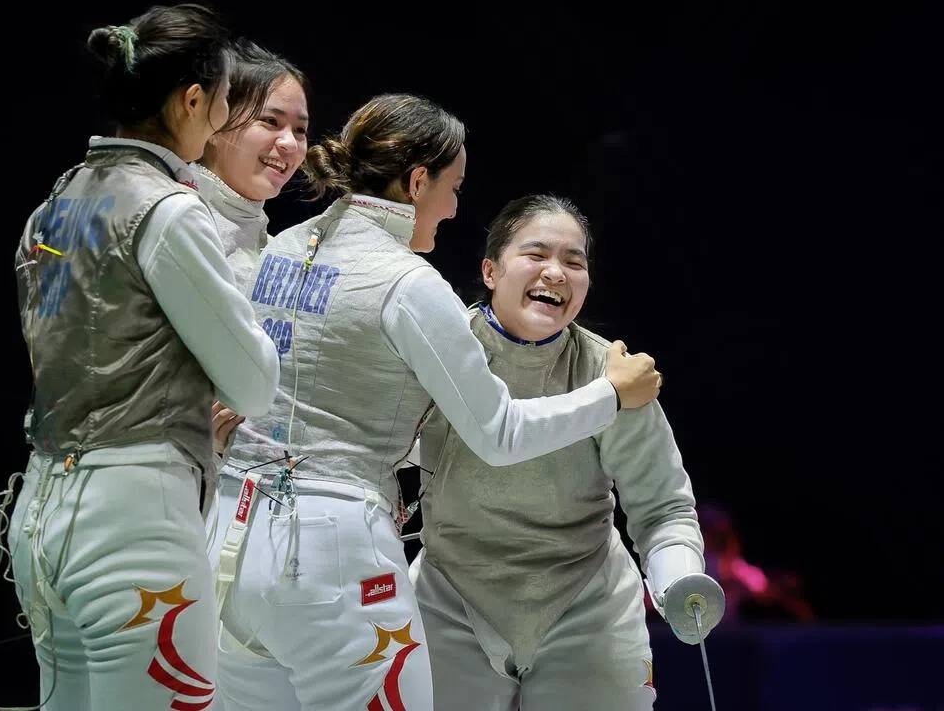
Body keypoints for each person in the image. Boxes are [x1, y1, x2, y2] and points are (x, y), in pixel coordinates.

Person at [208, 94, 664, 711]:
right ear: (418, 181)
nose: (453, 208)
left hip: (230, 543)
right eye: (453, 187)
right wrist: (610, 395)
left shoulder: (284, 246)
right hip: (331, 553)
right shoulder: (408, 283)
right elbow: (498, 433)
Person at [0, 3, 281, 711]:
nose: (221, 121)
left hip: (41, 516)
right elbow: (252, 382)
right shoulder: (166, 209)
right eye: (222, 102)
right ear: (191, 100)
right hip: (133, 525)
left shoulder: (55, 203)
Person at [409, 194, 723, 711]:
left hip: (587, 602)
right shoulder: (436, 354)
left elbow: (663, 505)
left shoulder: (614, 373)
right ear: (490, 270)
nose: (555, 272)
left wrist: (678, 576)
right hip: (450, 596)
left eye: (573, 262)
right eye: (536, 255)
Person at [192, 39, 311, 455]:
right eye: (270, 121)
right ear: (218, 121)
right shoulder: (180, 224)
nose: (290, 144)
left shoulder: (275, 248)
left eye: (299, 129)